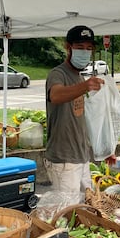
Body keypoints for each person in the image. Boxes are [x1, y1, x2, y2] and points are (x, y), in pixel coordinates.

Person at [44, 25, 105, 195]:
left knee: (87, 206)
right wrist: (85, 86)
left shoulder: (79, 77)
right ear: (68, 47)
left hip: (81, 156)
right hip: (64, 159)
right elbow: (55, 95)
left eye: (89, 48)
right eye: (80, 48)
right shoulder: (58, 74)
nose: (85, 52)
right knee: (66, 211)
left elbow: (83, 119)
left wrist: (105, 148)